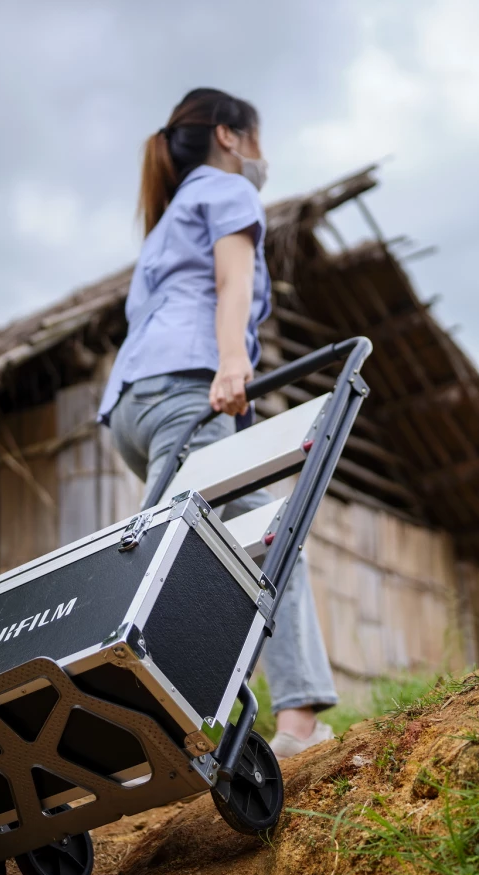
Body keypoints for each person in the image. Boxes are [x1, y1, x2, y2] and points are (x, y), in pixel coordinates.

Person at [97, 88, 337, 759]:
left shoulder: (168, 216)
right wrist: (231, 363)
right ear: (230, 136)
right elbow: (232, 283)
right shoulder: (225, 189)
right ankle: (288, 725)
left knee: (214, 546)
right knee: (262, 544)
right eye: (257, 139)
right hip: (189, 392)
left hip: (131, 411)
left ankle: (188, 721)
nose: (262, 156)